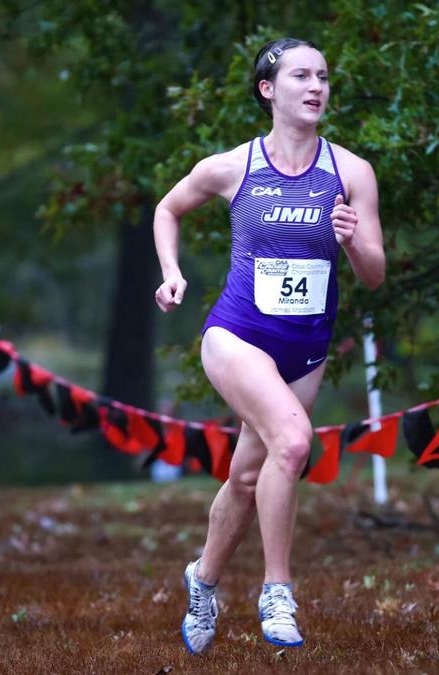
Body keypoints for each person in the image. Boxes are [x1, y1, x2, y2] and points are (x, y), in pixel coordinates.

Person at [153, 38, 385, 653]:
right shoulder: (232, 166)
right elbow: (167, 209)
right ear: (268, 90)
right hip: (236, 334)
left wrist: (353, 240)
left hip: (306, 346)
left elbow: (375, 274)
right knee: (293, 442)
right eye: (301, 76)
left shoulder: (351, 171)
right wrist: (172, 272)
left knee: (250, 475)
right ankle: (276, 591)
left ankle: (202, 579)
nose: (316, 87)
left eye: (324, 77)